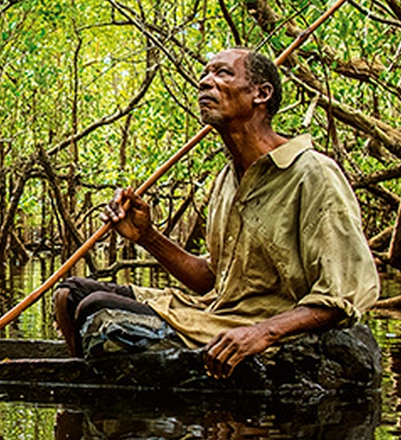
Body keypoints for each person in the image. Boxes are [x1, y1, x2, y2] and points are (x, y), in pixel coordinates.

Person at [54, 47, 380, 378]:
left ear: (261, 94)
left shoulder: (312, 172)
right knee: (69, 294)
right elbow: (212, 278)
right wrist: (147, 237)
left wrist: (261, 334)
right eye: (204, 75)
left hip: (267, 329)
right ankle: (88, 391)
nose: (205, 83)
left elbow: (346, 295)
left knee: (98, 315)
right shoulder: (227, 178)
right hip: (213, 314)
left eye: (222, 73)